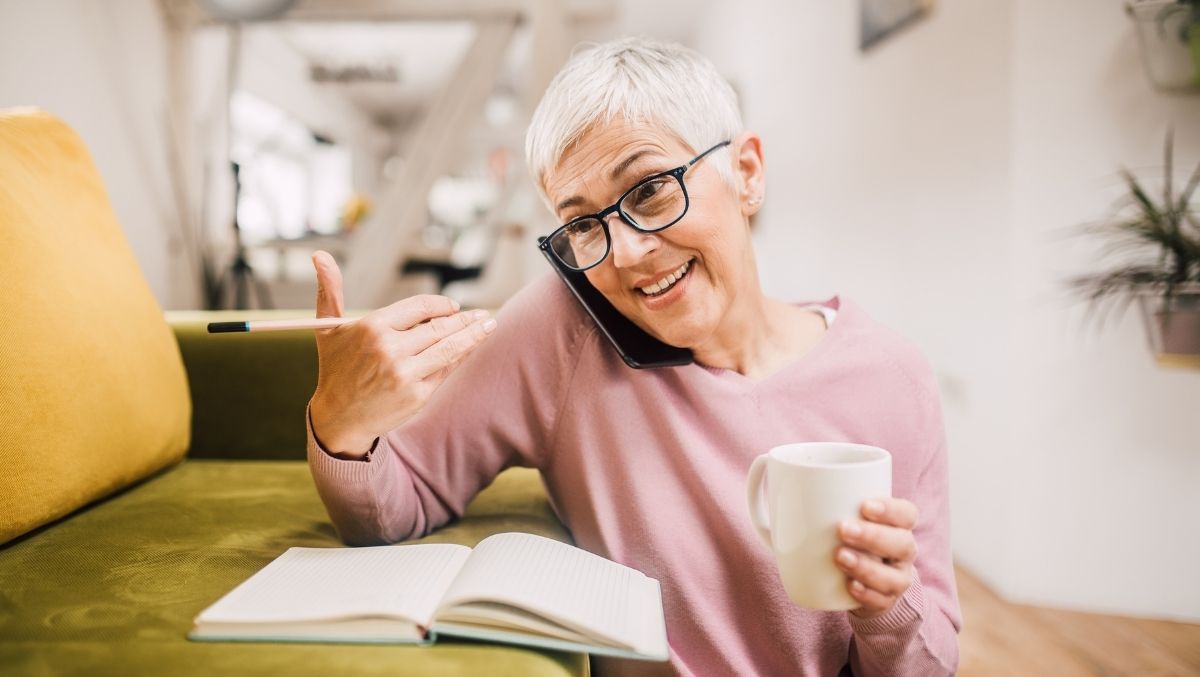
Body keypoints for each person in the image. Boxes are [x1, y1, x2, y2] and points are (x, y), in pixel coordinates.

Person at [305, 37, 961, 677]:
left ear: (748, 173)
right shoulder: (563, 332)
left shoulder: (891, 376)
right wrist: (341, 419)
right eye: (584, 224)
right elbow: (400, 498)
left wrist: (884, 609)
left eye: (649, 189)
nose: (623, 254)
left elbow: (930, 665)